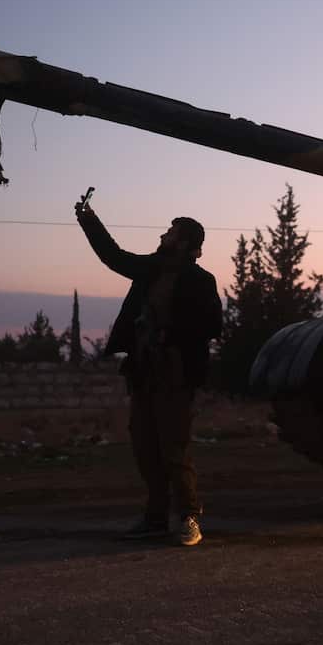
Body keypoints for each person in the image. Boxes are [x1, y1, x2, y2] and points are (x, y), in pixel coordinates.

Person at [75, 195, 222, 546]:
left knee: (174, 447)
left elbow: (212, 325)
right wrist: (89, 219)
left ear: (184, 242)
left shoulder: (201, 281)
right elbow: (114, 257)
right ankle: (156, 517)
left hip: (176, 374)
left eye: (170, 233)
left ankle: (188, 516)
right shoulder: (151, 269)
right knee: (145, 445)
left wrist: (169, 333)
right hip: (144, 373)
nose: (163, 236)